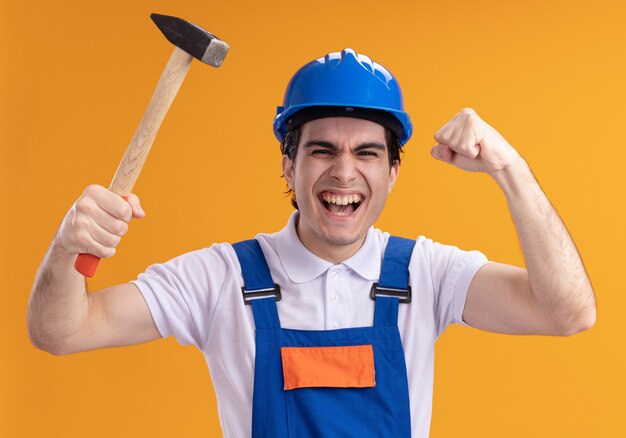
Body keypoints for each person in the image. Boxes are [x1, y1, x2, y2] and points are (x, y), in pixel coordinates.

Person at [27, 48, 596, 438]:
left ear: (393, 172)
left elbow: (567, 312)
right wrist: (65, 249)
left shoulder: (427, 273)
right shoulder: (219, 279)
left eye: (367, 153)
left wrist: (510, 168)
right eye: (322, 149)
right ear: (288, 165)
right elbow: (61, 330)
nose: (344, 173)